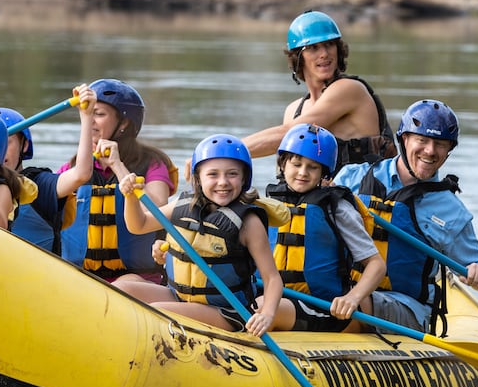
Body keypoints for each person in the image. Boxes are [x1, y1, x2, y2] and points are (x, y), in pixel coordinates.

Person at [333, 98, 478, 333]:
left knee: (353, 302)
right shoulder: (351, 178)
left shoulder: (452, 210)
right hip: (342, 290)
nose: (430, 150)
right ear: (404, 139)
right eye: (422, 140)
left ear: (449, 150)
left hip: (405, 308)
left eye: (440, 144)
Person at [109, 133, 284, 335]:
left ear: (244, 178)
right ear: (198, 178)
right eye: (213, 174)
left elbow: (272, 278)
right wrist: (130, 197)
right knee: (119, 292)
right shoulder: (182, 206)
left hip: (226, 311)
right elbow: (138, 225)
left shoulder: (249, 223)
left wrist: (267, 314)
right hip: (179, 296)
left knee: (155, 313)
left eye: (232, 174)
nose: (223, 182)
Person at [263, 123, 386, 333]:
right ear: (283, 165)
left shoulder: (337, 209)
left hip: (322, 307)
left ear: (324, 172)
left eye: (312, 167)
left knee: (258, 308)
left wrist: (352, 297)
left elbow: (376, 265)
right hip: (276, 298)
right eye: (297, 164)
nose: (303, 172)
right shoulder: (269, 204)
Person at [242, 10, 396, 173]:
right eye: (313, 48)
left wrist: (225, 150)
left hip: (362, 196)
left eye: (329, 45)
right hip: (316, 197)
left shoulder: (349, 89)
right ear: (298, 57)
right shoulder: (294, 111)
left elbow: (289, 134)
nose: (324, 54)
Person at [58, 79, 177, 282]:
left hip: (138, 279)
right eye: (89, 114)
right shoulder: (74, 168)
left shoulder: (152, 162)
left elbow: (156, 209)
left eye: (99, 114)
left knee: (124, 286)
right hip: (79, 277)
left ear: (124, 123)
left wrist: (117, 165)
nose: (91, 121)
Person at [0, 105, 94, 253]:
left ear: (24, 145)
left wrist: (87, 116)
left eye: (6, 142)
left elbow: (81, 174)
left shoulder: (40, 184)